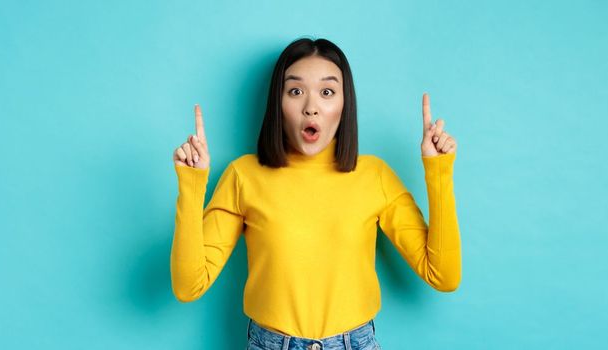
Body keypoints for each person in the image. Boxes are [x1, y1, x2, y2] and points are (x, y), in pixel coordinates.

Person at [170, 37, 461, 350]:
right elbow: (189, 286)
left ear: (344, 103)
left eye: (327, 92)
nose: (311, 107)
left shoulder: (375, 176)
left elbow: (443, 275)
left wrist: (439, 171)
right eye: (295, 91)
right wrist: (192, 181)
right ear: (278, 104)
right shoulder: (244, 176)